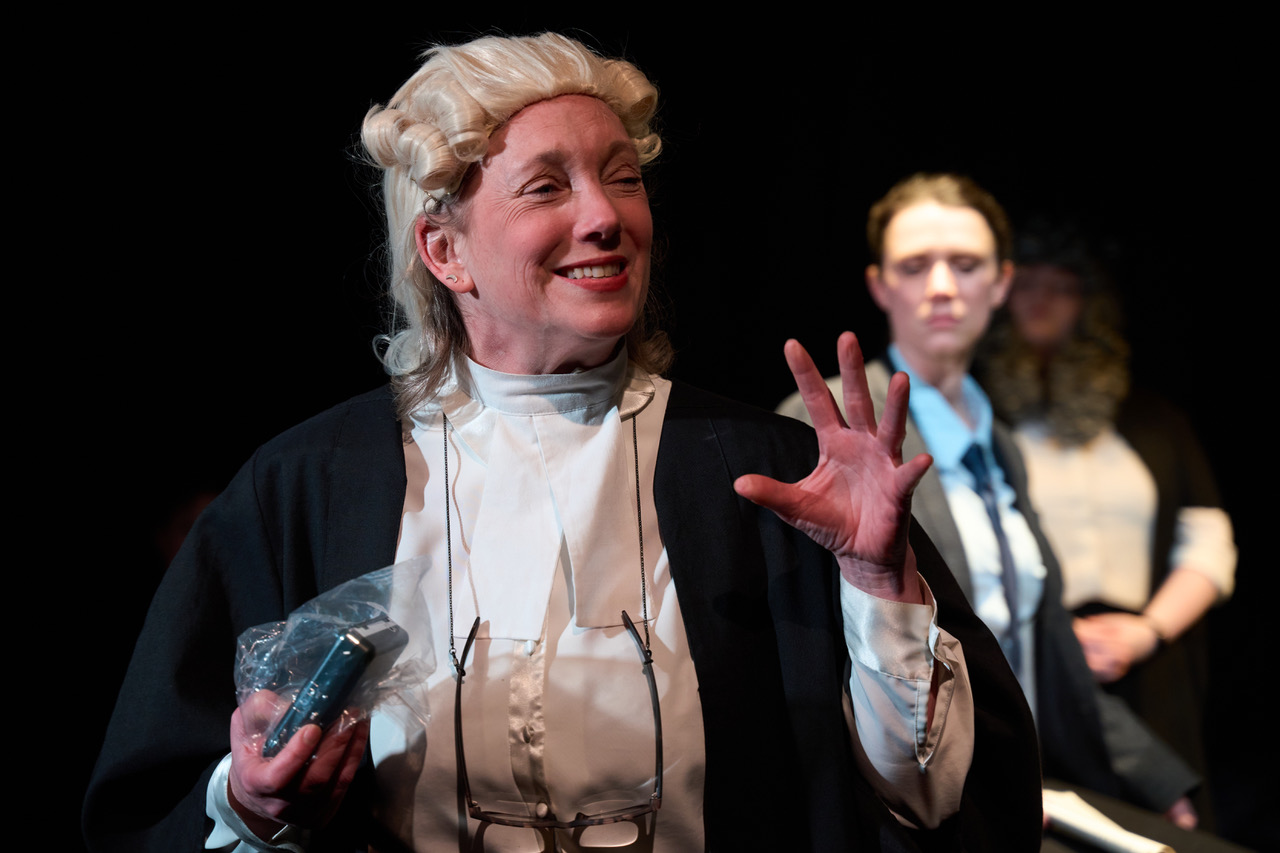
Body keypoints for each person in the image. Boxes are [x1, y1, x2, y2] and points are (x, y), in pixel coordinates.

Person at [83, 37, 1040, 852]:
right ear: (444, 251)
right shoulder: (311, 484)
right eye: (548, 186)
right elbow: (161, 797)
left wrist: (878, 585)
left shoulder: (759, 472)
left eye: (624, 177)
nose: (605, 216)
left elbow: (927, 806)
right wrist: (252, 800)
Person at [777, 173, 1201, 827]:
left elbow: (1038, 647)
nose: (942, 286)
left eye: (966, 264)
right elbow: (806, 652)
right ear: (880, 286)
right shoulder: (830, 424)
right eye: (914, 266)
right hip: (913, 799)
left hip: (1027, 794)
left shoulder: (998, 440)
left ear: (1001, 284)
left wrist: (1156, 779)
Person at [976, 224, 1235, 785]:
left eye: (1062, 287)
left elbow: (1209, 543)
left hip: (1150, 658)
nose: (1042, 300)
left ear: (1088, 304)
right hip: (1031, 664)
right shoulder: (977, 419)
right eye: (1028, 284)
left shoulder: (1154, 420)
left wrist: (1149, 630)